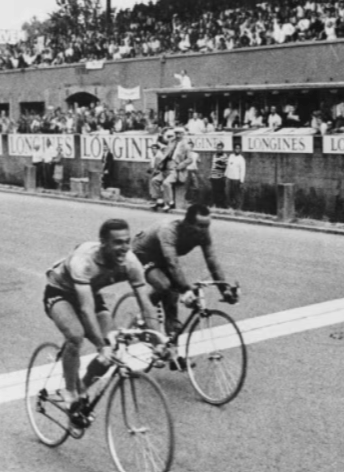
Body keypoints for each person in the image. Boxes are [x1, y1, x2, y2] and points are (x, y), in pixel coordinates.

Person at [43, 219, 156, 421]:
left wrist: (159, 339)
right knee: (76, 336)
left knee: (112, 346)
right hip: (61, 292)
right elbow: (86, 310)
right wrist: (100, 345)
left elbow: (146, 304)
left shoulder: (131, 262)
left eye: (127, 242)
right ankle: (70, 392)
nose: (124, 248)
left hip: (89, 291)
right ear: (103, 243)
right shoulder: (84, 261)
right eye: (117, 243)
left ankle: (82, 388)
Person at [131, 205, 237, 352]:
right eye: (200, 226)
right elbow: (172, 262)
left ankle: (172, 351)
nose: (204, 230)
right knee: (165, 285)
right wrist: (185, 290)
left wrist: (224, 289)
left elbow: (212, 260)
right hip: (144, 253)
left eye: (207, 226)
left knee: (172, 302)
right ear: (187, 223)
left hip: (163, 257)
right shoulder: (169, 230)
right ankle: (141, 319)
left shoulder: (203, 234)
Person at [150, 127, 192, 212]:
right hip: (166, 166)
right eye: (176, 133)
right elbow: (163, 140)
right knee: (154, 180)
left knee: (166, 183)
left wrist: (181, 165)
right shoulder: (171, 141)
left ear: (183, 134)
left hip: (175, 169)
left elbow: (190, 159)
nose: (177, 135)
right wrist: (161, 133)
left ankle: (169, 203)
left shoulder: (186, 146)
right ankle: (159, 200)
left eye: (179, 133)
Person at [225, 144, 246, 210]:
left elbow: (243, 170)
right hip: (229, 178)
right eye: (236, 148)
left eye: (238, 148)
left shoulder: (241, 159)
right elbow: (228, 166)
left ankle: (238, 208)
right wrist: (226, 176)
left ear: (240, 150)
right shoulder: (231, 156)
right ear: (234, 149)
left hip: (236, 179)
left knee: (237, 194)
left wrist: (241, 181)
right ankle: (230, 207)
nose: (237, 149)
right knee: (228, 193)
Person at [210, 142, 228, 208]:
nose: (219, 149)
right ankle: (215, 205)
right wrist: (211, 174)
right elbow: (213, 165)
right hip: (213, 177)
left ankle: (221, 205)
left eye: (220, 148)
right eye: (218, 148)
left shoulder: (224, 156)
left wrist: (219, 165)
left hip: (220, 177)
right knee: (214, 192)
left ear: (222, 148)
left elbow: (225, 166)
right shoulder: (214, 155)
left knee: (221, 192)